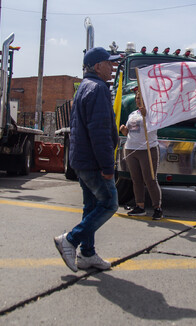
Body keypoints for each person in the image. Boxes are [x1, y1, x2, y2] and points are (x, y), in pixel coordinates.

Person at [54, 47, 121, 271]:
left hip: (81, 160)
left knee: (91, 205)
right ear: (97, 66)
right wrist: (107, 166)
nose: (112, 67)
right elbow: (99, 131)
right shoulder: (99, 88)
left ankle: (88, 254)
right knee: (110, 204)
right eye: (108, 63)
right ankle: (70, 240)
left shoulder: (83, 87)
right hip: (93, 162)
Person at [120, 89, 162, 220]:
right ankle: (140, 206)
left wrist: (147, 116)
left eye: (141, 98)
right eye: (137, 98)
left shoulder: (153, 113)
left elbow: (155, 127)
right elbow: (130, 132)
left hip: (147, 150)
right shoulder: (132, 114)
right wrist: (123, 130)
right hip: (131, 149)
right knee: (136, 179)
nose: (138, 100)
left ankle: (157, 208)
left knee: (150, 179)